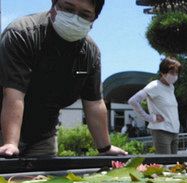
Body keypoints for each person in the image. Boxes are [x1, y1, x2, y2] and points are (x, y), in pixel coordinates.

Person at [0, 0, 127, 158]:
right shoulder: (22, 33)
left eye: (84, 14)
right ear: (53, 5)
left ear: (93, 20)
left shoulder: (90, 53)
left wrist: (105, 148)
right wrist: (11, 143)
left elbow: (94, 103)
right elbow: (14, 94)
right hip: (4, 128)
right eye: (68, 8)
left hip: (43, 135)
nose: (74, 17)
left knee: (43, 180)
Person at [128, 58, 181, 154]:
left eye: (176, 73)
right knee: (165, 165)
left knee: (174, 166)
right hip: (161, 131)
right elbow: (133, 101)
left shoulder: (171, 87)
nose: (175, 76)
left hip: (174, 131)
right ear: (163, 72)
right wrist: (150, 118)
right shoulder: (154, 85)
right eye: (172, 72)